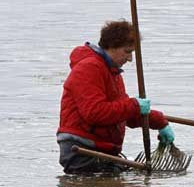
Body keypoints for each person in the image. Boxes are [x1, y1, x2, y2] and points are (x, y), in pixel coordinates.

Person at [57, 20, 175, 174]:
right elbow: (95, 113)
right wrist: (134, 105)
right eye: (127, 51)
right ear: (111, 46)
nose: (130, 58)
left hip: (101, 149)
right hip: (82, 150)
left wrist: (160, 122)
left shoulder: (112, 71)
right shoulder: (89, 68)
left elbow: (123, 114)